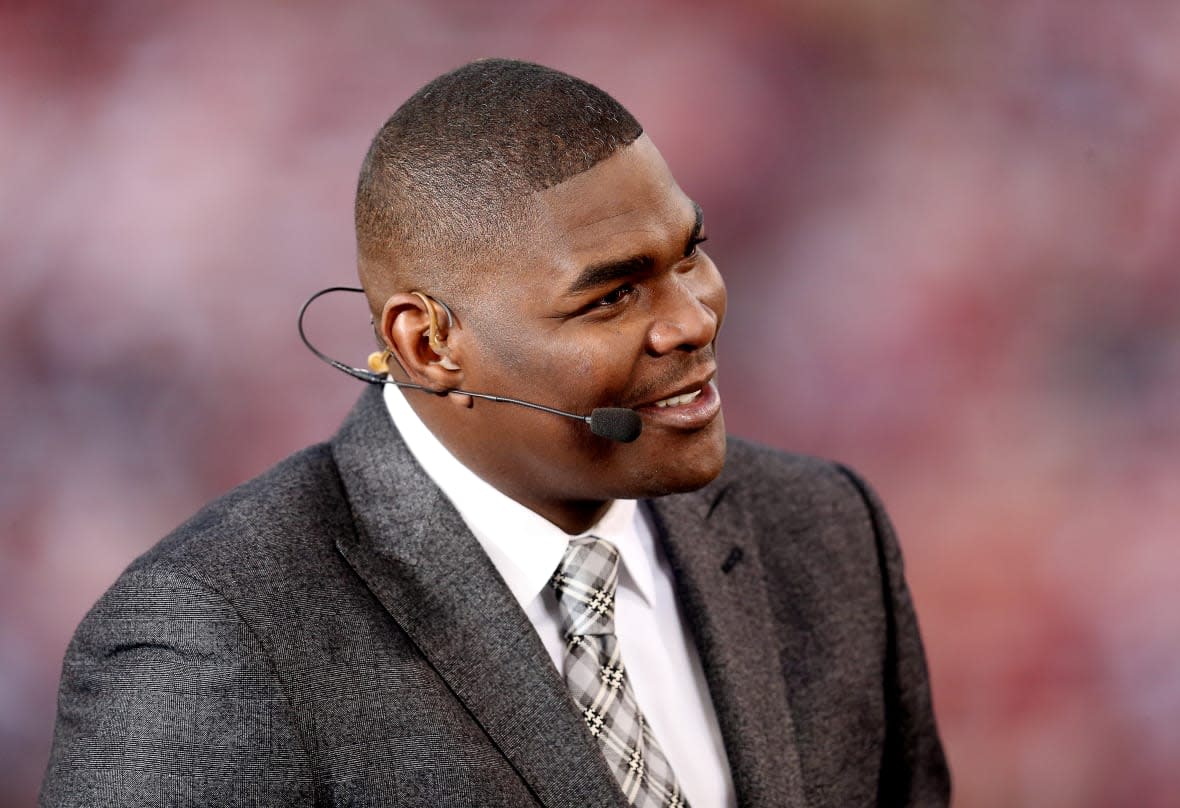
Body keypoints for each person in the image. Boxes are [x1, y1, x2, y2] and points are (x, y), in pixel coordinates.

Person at [40, 59, 950, 807]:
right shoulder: (213, 638)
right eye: (613, 295)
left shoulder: (828, 532)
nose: (693, 319)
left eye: (692, 254)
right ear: (428, 344)